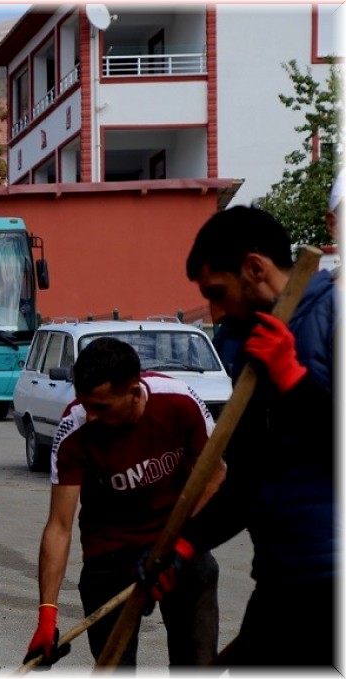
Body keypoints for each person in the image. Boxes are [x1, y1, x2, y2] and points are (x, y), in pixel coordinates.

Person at [145, 205, 336, 666]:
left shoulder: (333, 315)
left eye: (218, 293)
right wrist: (184, 544)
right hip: (282, 577)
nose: (214, 311)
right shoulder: (250, 345)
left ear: (255, 268)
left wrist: (292, 376)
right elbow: (250, 473)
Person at [25, 337, 224, 668]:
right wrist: (47, 616)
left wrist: (176, 545)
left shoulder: (179, 402)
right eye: (85, 404)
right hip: (110, 552)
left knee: (198, 661)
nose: (89, 416)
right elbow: (59, 527)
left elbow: (215, 476)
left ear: (134, 394)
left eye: (101, 407)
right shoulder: (73, 428)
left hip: (177, 539)